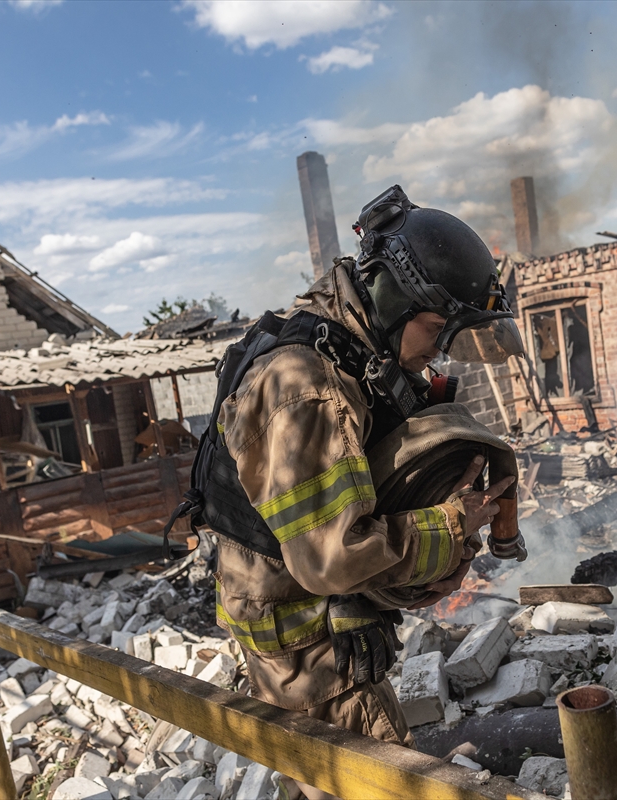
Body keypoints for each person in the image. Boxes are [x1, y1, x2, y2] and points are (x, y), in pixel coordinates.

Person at [209, 186, 524, 799]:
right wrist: (453, 525)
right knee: (376, 782)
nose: (438, 350)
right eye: (436, 329)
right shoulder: (310, 388)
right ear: (395, 299)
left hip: (306, 612)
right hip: (309, 643)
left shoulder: (346, 349)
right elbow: (333, 556)